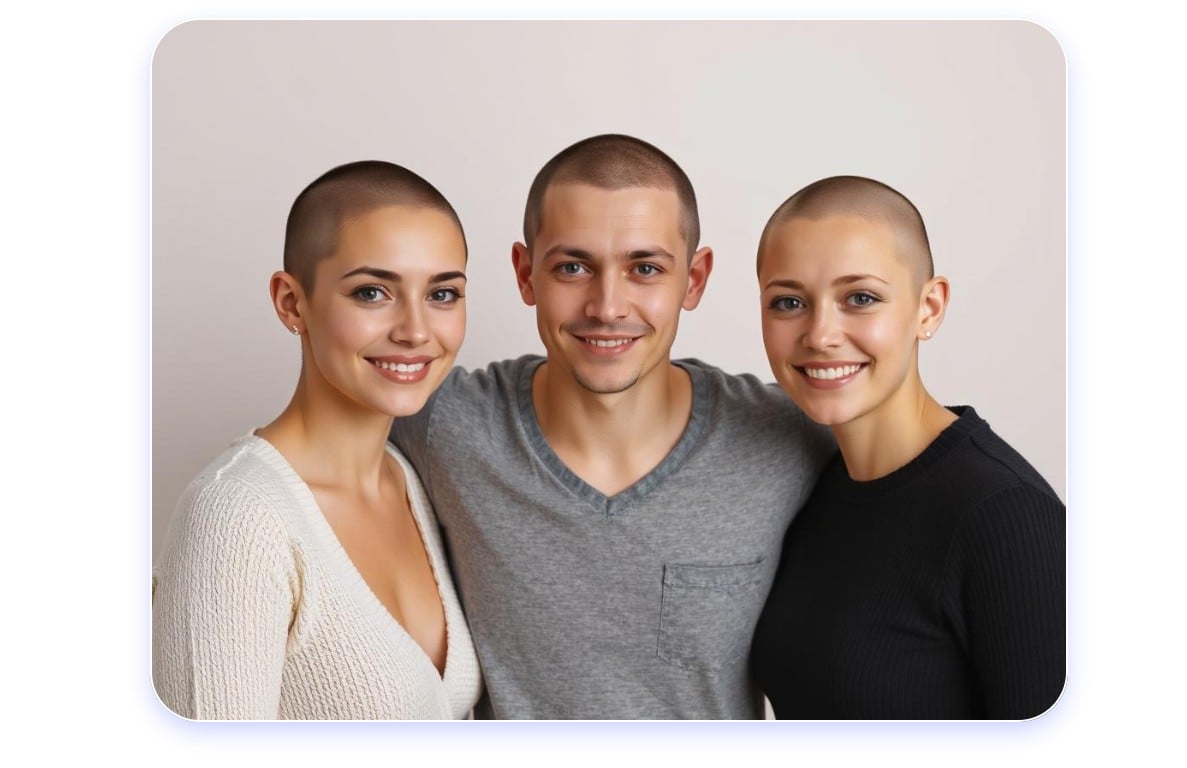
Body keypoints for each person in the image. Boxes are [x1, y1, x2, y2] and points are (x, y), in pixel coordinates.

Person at [389, 134, 834, 719]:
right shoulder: (440, 423)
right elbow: (316, 436)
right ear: (526, 274)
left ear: (694, 280)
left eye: (645, 268)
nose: (607, 306)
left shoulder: (793, 437)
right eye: (572, 267)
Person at [153, 161, 482, 719]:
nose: (416, 331)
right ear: (291, 303)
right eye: (373, 292)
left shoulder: (408, 478)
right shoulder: (236, 518)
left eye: (442, 294)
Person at [750, 175, 1066, 719]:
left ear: (929, 307)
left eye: (861, 298)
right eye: (789, 302)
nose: (820, 334)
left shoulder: (1004, 514)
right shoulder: (809, 479)